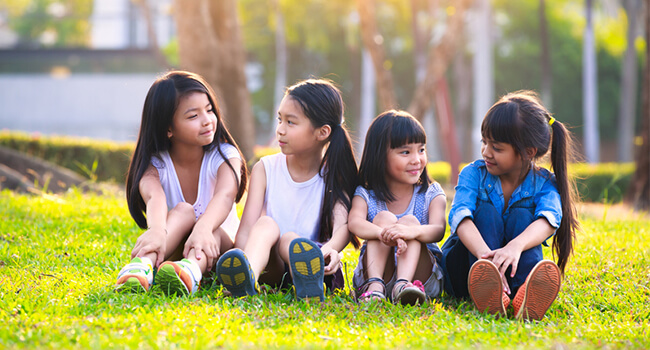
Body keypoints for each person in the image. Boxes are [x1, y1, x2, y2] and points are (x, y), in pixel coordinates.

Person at [215, 79, 359, 301]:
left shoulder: (334, 175)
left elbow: (343, 228)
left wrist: (331, 249)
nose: (280, 130)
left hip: (317, 266)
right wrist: (241, 255)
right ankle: (247, 276)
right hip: (270, 267)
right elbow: (246, 229)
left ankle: (308, 283)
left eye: (291, 122)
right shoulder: (266, 168)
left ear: (322, 132)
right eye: (279, 119)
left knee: (291, 239)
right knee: (265, 224)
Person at [441, 90, 579, 320]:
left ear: (528, 152)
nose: (486, 152)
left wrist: (515, 246)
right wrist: (486, 258)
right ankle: (487, 286)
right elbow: (460, 217)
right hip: (468, 267)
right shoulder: (473, 174)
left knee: (525, 220)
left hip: (513, 267)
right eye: (484, 142)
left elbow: (549, 220)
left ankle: (524, 294)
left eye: (497, 147)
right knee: (485, 212)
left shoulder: (544, 183)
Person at [115, 71, 248, 297]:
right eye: (192, 116)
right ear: (168, 128)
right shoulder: (157, 164)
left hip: (220, 249)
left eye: (209, 110)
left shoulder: (225, 155)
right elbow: (154, 196)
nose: (207, 120)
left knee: (212, 229)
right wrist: (157, 230)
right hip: (174, 254)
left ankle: (191, 273)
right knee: (183, 210)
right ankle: (142, 268)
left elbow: (225, 195)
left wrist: (203, 227)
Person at [348, 110, 447, 306]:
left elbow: (438, 230)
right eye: (405, 152)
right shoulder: (367, 194)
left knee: (410, 222)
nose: (416, 159)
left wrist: (409, 232)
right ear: (379, 155)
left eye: (421, 150)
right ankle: (375, 287)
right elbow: (355, 222)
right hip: (377, 273)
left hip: (420, 280)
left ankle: (403, 285)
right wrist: (387, 233)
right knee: (384, 218)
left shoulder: (431, 193)